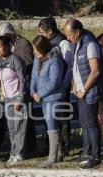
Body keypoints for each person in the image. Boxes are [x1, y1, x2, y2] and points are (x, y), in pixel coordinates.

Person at [64, 18, 103, 169]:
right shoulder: (77, 44)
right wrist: (74, 85)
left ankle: (96, 157)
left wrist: (84, 90)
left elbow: (96, 71)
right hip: (80, 91)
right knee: (84, 123)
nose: (67, 38)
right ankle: (87, 152)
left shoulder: (90, 44)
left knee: (91, 124)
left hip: (89, 91)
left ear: (77, 32)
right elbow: (76, 67)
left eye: (69, 34)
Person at [0, 36, 27, 164]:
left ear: (7, 46)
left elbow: (23, 80)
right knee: (12, 129)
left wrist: (19, 99)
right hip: (7, 99)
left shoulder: (16, 60)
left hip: (17, 98)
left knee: (20, 127)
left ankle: (19, 154)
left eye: (0, 46)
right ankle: (13, 153)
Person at [0, 22, 35, 156]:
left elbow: (30, 64)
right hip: (10, 91)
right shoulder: (9, 46)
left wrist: (17, 69)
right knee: (16, 124)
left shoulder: (23, 44)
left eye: (3, 37)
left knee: (25, 123)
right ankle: (21, 150)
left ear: (9, 34)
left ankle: (28, 149)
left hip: (22, 88)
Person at [38, 16, 74, 156]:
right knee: (51, 117)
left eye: (42, 32)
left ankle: (64, 147)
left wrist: (64, 85)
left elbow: (70, 66)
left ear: (50, 31)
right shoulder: (49, 41)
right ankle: (53, 147)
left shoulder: (62, 42)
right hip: (51, 88)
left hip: (60, 88)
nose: (40, 35)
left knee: (62, 117)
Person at [30, 35, 64, 168]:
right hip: (42, 98)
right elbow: (33, 77)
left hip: (54, 97)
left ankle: (52, 158)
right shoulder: (36, 59)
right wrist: (33, 91)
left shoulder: (54, 59)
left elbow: (54, 81)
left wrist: (40, 93)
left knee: (51, 125)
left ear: (43, 48)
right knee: (51, 124)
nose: (35, 52)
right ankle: (59, 153)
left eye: (36, 50)